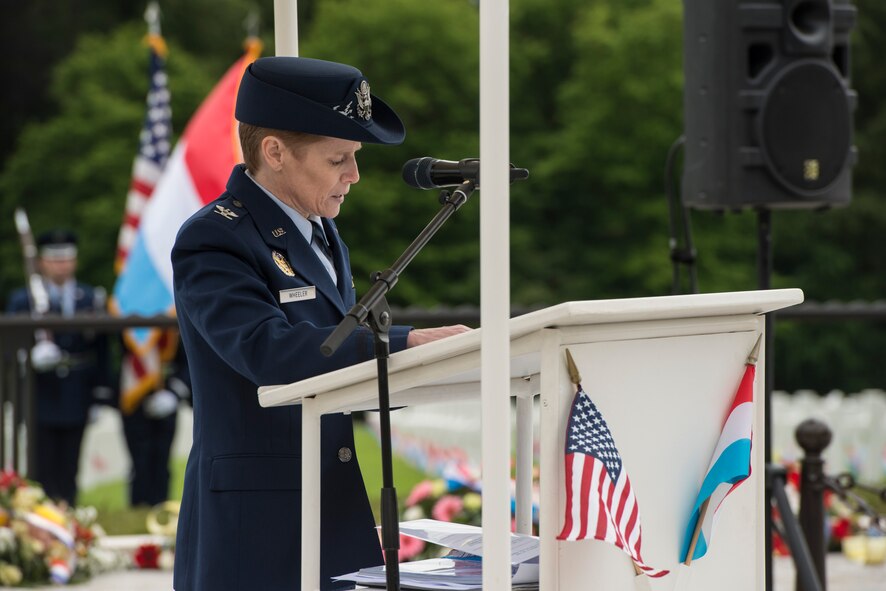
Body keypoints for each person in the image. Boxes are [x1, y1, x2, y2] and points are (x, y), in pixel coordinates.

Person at [171, 56, 470, 591]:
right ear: (275, 152)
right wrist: (406, 345)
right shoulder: (215, 239)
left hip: (327, 510)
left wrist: (433, 365)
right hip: (256, 528)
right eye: (339, 159)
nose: (354, 175)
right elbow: (268, 351)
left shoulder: (322, 234)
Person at [5, 229, 113, 505]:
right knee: (42, 467)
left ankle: (70, 518)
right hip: (39, 393)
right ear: (42, 262)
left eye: (66, 259)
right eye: (54, 259)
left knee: (70, 466)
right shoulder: (23, 299)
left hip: (76, 390)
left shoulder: (89, 297)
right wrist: (29, 356)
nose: (60, 264)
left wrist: (99, 393)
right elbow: (9, 348)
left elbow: (100, 349)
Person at [119, 333, 190, 507]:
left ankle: (161, 506)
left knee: (162, 459)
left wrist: (175, 393)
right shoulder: (122, 306)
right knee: (139, 460)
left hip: (167, 390)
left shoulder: (171, 308)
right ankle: (138, 507)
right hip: (134, 393)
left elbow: (190, 355)